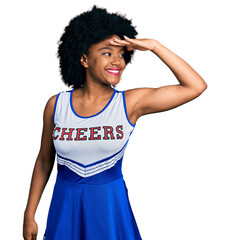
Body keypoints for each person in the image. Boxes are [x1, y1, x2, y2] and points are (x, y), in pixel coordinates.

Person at [23, 5, 207, 240]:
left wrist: (154, 46)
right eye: (107, 53)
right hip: (64, 206)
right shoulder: (56, 104)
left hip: (109, 209)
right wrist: (30, 213)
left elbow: (195, 86)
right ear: (84, 59)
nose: (117, 62)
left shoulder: (130, 103)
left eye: (122, 55)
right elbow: (44, 160)